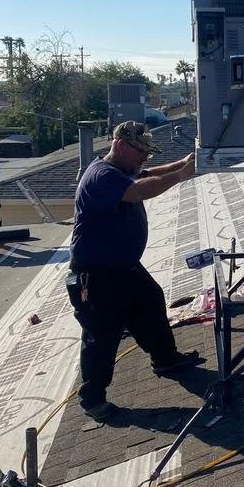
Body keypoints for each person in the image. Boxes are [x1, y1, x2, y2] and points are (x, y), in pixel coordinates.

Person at [68, 120, 199, 422]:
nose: (145, 159)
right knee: (102, 335)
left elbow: (147, 174)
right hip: (98, 274)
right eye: (141, 152)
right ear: (122, 146)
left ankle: (166, 360)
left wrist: (184, 162)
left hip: (123, 267)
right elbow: (140, 189)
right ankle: (92, 398)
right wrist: (181, 175)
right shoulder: (102, 175)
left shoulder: (120, 170)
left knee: (150, 302)